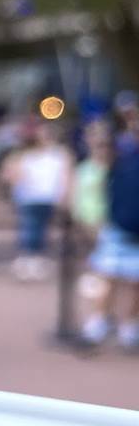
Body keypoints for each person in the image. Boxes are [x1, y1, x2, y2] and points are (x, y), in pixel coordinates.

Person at [80, 143, 139, 351]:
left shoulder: (124, 162)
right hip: (119, 230)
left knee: (128, 283)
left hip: (121, 230)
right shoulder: (125, 163)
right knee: (108, 279)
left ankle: (124, 327)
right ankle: (101, 323)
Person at [1, 121, 72, 281]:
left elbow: (66, 175)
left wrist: (65, 195)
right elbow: (8, 173)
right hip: (28, 197)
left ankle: (34, 258)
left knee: (40, 228)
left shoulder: (59, 153)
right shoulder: (23, 153)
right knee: (30, 227)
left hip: (48, 197)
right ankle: (28, 259)